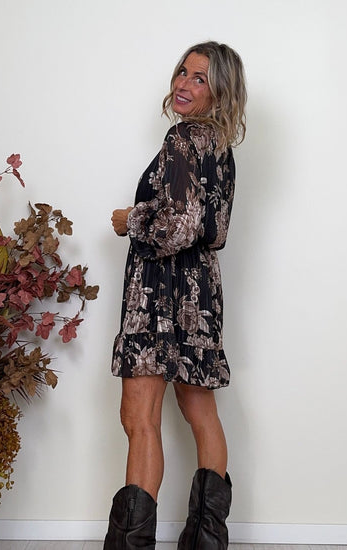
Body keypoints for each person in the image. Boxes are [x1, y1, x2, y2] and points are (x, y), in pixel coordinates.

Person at [105, 41, 247, 550]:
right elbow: (216, 230)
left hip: (159, 290)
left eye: (200, 78)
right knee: (201, 412)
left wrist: (131, 219)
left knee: (139, 418)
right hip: (200, 292)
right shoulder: (221, 149)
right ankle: (206, 543)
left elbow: (180, 226)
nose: (184, 84)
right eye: (183, 72)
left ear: (220, 92)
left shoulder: (182, 138)